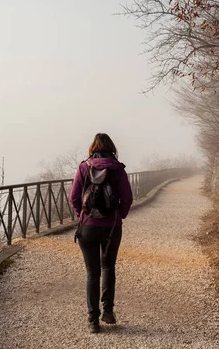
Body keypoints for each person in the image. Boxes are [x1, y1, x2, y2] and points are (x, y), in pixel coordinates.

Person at [69, 133, 133, 333]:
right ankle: (108, 311)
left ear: (93, 148)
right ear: (112, 148)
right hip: (111, 227)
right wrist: (118, 215)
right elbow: (128, 198)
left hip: (87, 227)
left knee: (92, 273)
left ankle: (92, 321)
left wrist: (82, 216)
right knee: (108, 268)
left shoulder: (83, 167)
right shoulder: (118, 169)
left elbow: (73, 198)